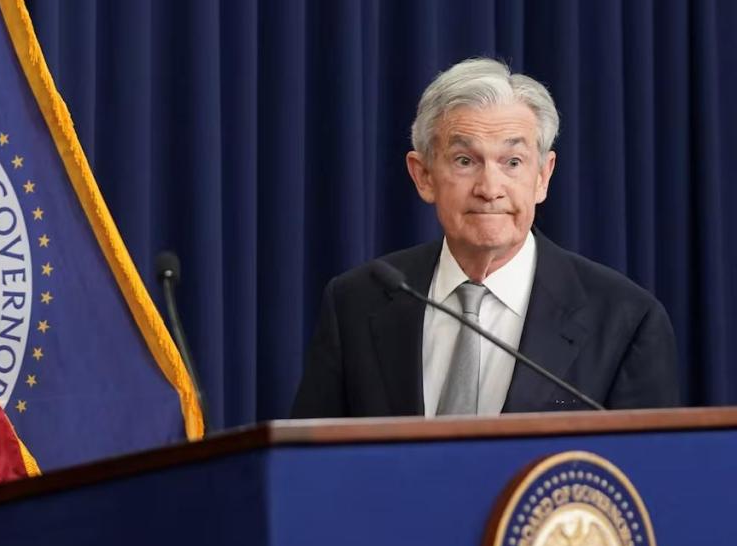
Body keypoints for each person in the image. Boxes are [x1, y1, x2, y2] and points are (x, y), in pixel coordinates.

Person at [291, 57, 679, 418]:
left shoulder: (626, 321)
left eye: (512, 162)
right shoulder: (355, 303)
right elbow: (307, 470)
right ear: (423, 175)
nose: (490, 188)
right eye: (465, 161)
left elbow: (646, 482)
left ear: (542, 176)